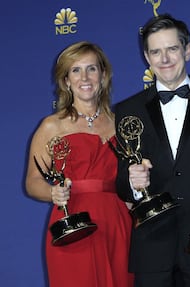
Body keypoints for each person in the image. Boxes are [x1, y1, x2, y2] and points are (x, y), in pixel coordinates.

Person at [114, 14, 190, 287]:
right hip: (152, 246)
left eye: (172, 49)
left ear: (188, 50)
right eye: (156, 52)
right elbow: (121, 183)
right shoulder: (126, 111)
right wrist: (134, 184)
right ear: (147, 57)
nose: (165, 59)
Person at [25, 41, 134, 287]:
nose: (84, 77)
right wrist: (53, 192)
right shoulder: (52, 126)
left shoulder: (122, 124)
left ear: (103, 75)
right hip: (73, 225)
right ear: (65, 81)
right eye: (75, 70)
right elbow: (32, 182)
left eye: (91, 69)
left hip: (117, 223)